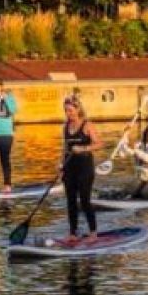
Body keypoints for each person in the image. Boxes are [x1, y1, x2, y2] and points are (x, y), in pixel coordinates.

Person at [61, 97, 102, 243]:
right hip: (69, 168)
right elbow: (65, 149)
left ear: (78, 109)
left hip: (85, 168)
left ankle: (93, 233)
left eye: (70, 110)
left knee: (84, 201)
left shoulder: (87, 125)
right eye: (66, 110)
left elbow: (99, 144)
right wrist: (61, 166)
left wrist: (83, 148)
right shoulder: (65, 127)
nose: (68, 113)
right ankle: (73, 233)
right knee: (71, 201)